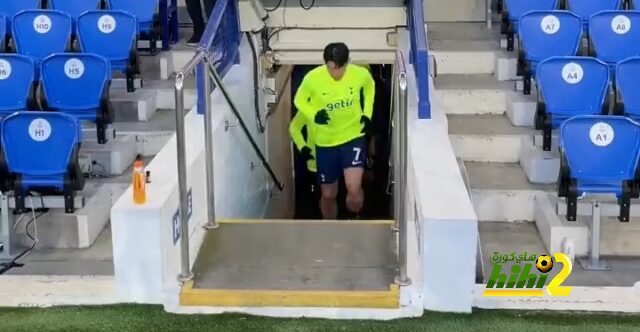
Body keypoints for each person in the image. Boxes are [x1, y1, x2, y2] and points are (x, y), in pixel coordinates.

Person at [293, 42, 375, 219]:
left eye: (340, 68)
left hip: (352, 136)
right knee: (329, 195)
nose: (335, 73)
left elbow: (369, 87)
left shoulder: (360, 74)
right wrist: (314, 114)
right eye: (331, 68)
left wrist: (367, 114)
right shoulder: (312, 78)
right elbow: (299, 100)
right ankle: (330, 225)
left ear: (347, 62)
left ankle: (355, 216)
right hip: (326, 143)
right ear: (325, 63)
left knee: (353, 187)